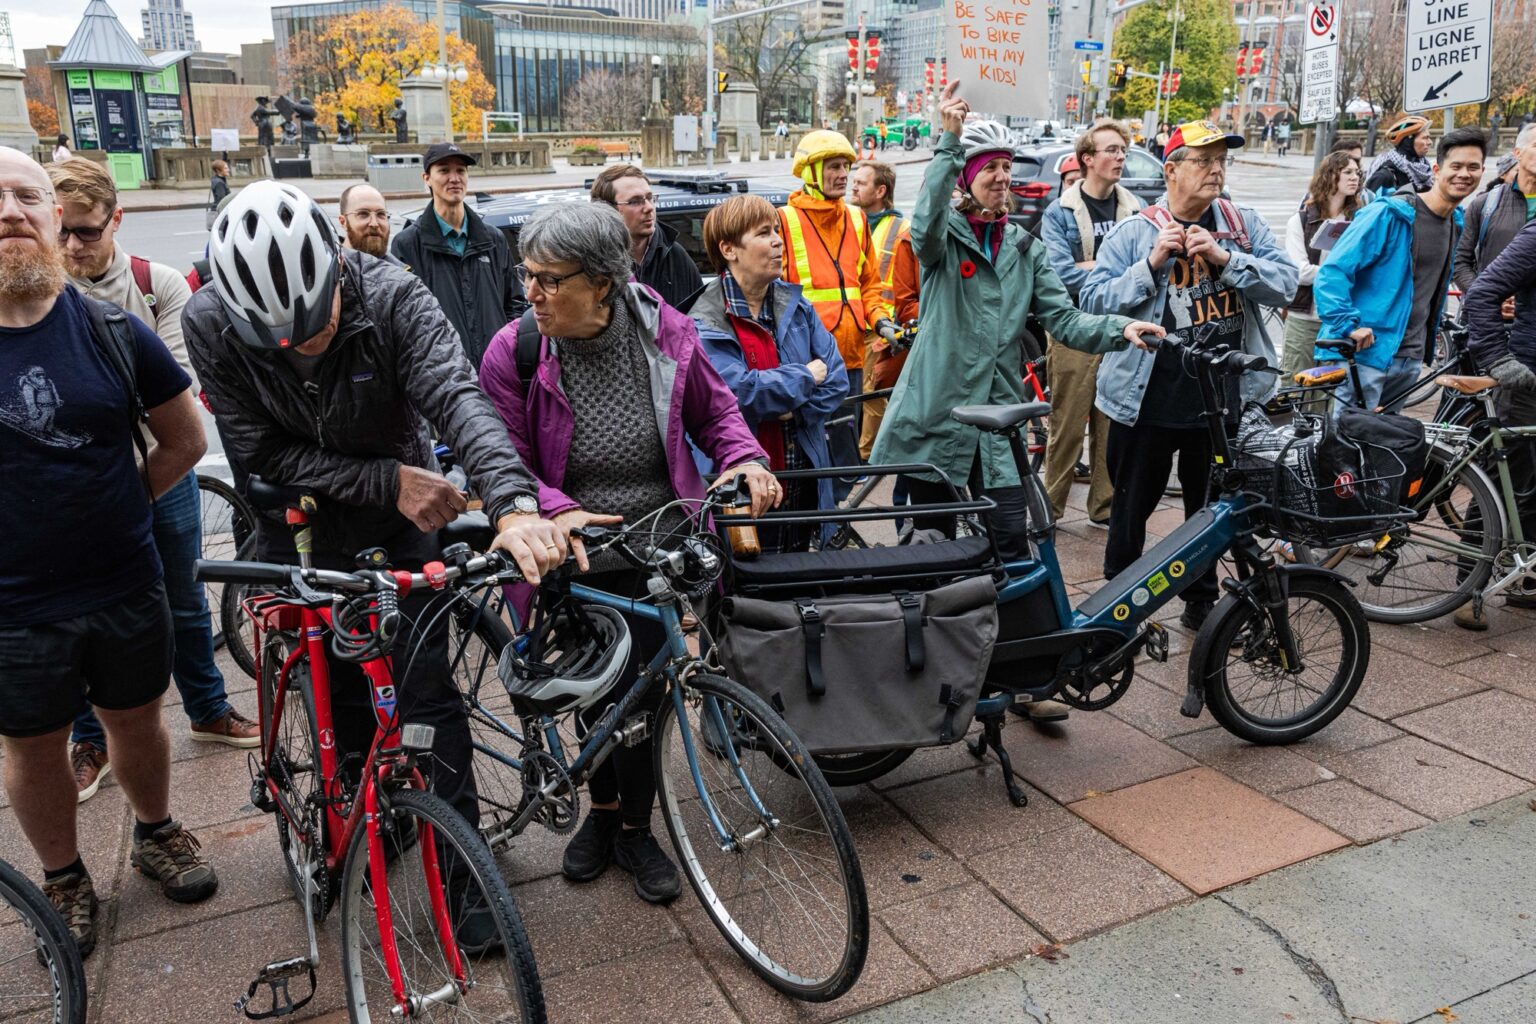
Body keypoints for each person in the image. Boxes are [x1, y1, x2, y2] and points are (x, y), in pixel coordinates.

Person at [184, 181, 569, 946]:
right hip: (297, 514)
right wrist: (384, 482)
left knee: (424, 696)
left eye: (318, 325)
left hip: (402, 517)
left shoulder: (392, 294)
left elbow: (460, 400)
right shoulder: (208, 322)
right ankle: (366, 821)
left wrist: (513, 505)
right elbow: (259, 452)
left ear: (335, 263)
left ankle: (464, 883)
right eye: (280, 340)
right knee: (338, 692)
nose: (304, 346)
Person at [477, 202, 775, 904]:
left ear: (605, 282)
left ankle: (635, 826)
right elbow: (505, 466)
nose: (533, 294)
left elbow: (718, 413)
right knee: (592, 695)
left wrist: (744, 461)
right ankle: (601, 813)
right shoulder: (514, 351)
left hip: (656, 546)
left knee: (647, 691)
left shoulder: (668, 332)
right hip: (569, 556)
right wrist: (554, 512)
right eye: (529, 276)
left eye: (551, 280)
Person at [872, 85, 1161, 723]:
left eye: (1008, 171)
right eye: (990, 172)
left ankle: (1022, 677)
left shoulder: (1026, 250)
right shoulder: (943, 240)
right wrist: (948, 139)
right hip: (937, 420)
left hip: (997, 429)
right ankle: (927, 679)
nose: (1002, 180)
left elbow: (1066, 320)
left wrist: (1121, 330)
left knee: (1013, 549)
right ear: (969, 180)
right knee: (931, 554)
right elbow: (920, 227)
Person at [0, 146, 218, 958]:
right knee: (34, 747)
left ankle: (157, 831)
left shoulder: (114, 329)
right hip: (14, 604)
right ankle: (63, 876)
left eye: (28, 195)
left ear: (58, 217)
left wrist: (122, 506)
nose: (12, 212)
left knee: (137, 721)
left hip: (124, 581)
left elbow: (185, 438)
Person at [45, 156, 260, 801]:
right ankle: (91, 741)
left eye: (88, 231)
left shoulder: (157, 283)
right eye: (64, 232)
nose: (75, 246)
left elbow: (172, 393)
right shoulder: (36, 295)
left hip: (161, 471)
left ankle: (208, 709)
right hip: (75, 492)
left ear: (117, 219)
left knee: (184, 602)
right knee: (79, 619)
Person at [1081, 119, 1298, 631]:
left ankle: (1200, 602)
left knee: (1208, 513)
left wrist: (1227, 259)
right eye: (1203, 160)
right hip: (1147, 400)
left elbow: (1287, 283)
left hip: (1221, 401)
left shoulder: (1242, 226)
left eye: (1222, 159)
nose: (1216, 170)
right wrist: (1152, 264)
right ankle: (1117, 607)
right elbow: (1091, 301)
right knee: (1131, 511)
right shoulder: (1136, 230)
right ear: (1171, 169)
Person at [692, 194, 850, 548]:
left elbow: (837, 378)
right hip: (742, 482)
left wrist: (790, 407)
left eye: (776, 230)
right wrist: (805, 378)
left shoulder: (796, 305)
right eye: (764, 233)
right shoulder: (703, 319)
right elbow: (736, 392)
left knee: (800, 573)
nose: (779, 240)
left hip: (803, 474)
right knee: (747, 582)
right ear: (730, 249)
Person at [1314, 128, 1487, 412]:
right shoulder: (1388, 213)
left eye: (1473, 167)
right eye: (1455, 166)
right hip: (1366, 354)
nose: (1464, 174)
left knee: (1383, 449)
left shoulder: (1456, 222)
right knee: (1347, 447)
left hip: (1410, 358)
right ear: (1436, 169)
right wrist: (1348, 325)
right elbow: (1333, 272)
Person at [1039, 118, 1145, 530]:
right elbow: (1061, 273)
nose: (1120, 157)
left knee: (1111, 420)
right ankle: (1050, 509)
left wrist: (1100, 270)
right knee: (1067, 422)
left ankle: (1104, 507)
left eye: (1123, 150)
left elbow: (1145, 265)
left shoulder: (1133, 207)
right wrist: (1118, 274)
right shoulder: (1060, 210)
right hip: (1075, 328)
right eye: (1111, 150)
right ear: (1087, 159)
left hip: (1121, 327)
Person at [778, 130, 897, 482]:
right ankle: (816, 529)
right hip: (808, 360)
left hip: (851, 357)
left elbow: (869, 286)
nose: (843, 174)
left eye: (846, 165)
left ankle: (839, 528)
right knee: (810, 453)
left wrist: (882, 322)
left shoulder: (858, 219)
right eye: (834, 166)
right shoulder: (785, 220)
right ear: (810, 172)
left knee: (845, 454)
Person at [1461, 218, 1536, 625]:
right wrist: (1499, 361)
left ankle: (1526, 581)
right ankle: (1465, 589)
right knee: (1506, 484)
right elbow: (1482, 295)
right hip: (1528, 381)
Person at [391, 142, 520, 368]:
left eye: (460, 170)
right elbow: (405, 320)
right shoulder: (407, 245)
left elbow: (515, 302)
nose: (454, 178)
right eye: (444, 170)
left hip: (498, 371)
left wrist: (508, 350)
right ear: (426, 178)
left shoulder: (493, 239)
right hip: (445, 377)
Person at [1280, 152, 1366, 380]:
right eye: (1347, 172)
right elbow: (1300, 272)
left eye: (1357, 172)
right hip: (1305, 317)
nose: (1354, 177)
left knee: (1331, 389)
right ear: (1330, 176)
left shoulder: (1360, 221)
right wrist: (1337, 276)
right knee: (1294, 382)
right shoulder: (1300, 221)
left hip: (1342, 319)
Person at [847, 158, 906, 456]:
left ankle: (867, 458)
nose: (853, 185)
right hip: (848, 324)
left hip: (876, 329)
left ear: (880, 190)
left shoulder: (900, 229)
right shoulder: (847, 220)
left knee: (871, 394)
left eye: (861, 182)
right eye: (854, 180)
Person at [589, 163, 703, 310]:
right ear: (606, 210)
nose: (649, 207)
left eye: (650, 198)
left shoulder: (675, 255)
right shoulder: (592, 263)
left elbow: (700, 320)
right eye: (635, 201)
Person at [1454, 124, 1536, 302]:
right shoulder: (1485, 204)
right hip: (1488, 319)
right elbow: (1460, 263)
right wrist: (1489, 297)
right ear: (1518, 153)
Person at [1365, 114, 1434, 194]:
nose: (1430, 142)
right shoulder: (1385, 175)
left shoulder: (1425, 170)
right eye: (1425, 138)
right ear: (1408, 141)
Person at [337, 182, 399, 263]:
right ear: (343, 222)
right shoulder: (327, 270)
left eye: (381, 214)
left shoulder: (402, 271)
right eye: (363, 214)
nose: (374, 224)